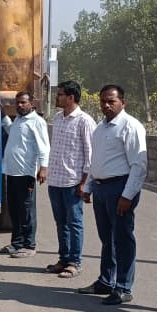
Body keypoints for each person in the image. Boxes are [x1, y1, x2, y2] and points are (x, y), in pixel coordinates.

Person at [80, 85, 147, 305]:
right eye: (103, 101)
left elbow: (138, 165)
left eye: (111, 101)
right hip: (101, 188)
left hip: (120, 188)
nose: (106, 105)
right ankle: (106, 281)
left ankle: (124, 287)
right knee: (106, 239)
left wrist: (127, 196)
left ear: (123, 102)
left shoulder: (130, 126)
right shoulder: (100, 128)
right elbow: (96, 161)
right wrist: (89, 187)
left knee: (122, 239)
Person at [45, 81, 95, 279]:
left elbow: (90, 155)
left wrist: (84, 183)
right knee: (61, 223)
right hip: (55, 180)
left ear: (71, 97)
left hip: (73, 182)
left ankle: (75, 262)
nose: (57, 98)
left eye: (60, 94)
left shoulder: (85, 121)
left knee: (74, 223)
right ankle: (64, 258)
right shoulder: (58, 119)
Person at [0, 92, 49, 258]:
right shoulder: (19, 120)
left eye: (23, 103)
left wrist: (43, 168)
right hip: (12, 172)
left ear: (31, 103)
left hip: (26, 174)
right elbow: (10, 130)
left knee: (26, 210)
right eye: (17, 103)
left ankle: (29, 244)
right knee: (14, 209)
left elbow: (44, 147)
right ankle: (16, 243)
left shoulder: (37, 122)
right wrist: (3, 114)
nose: (19, 105)